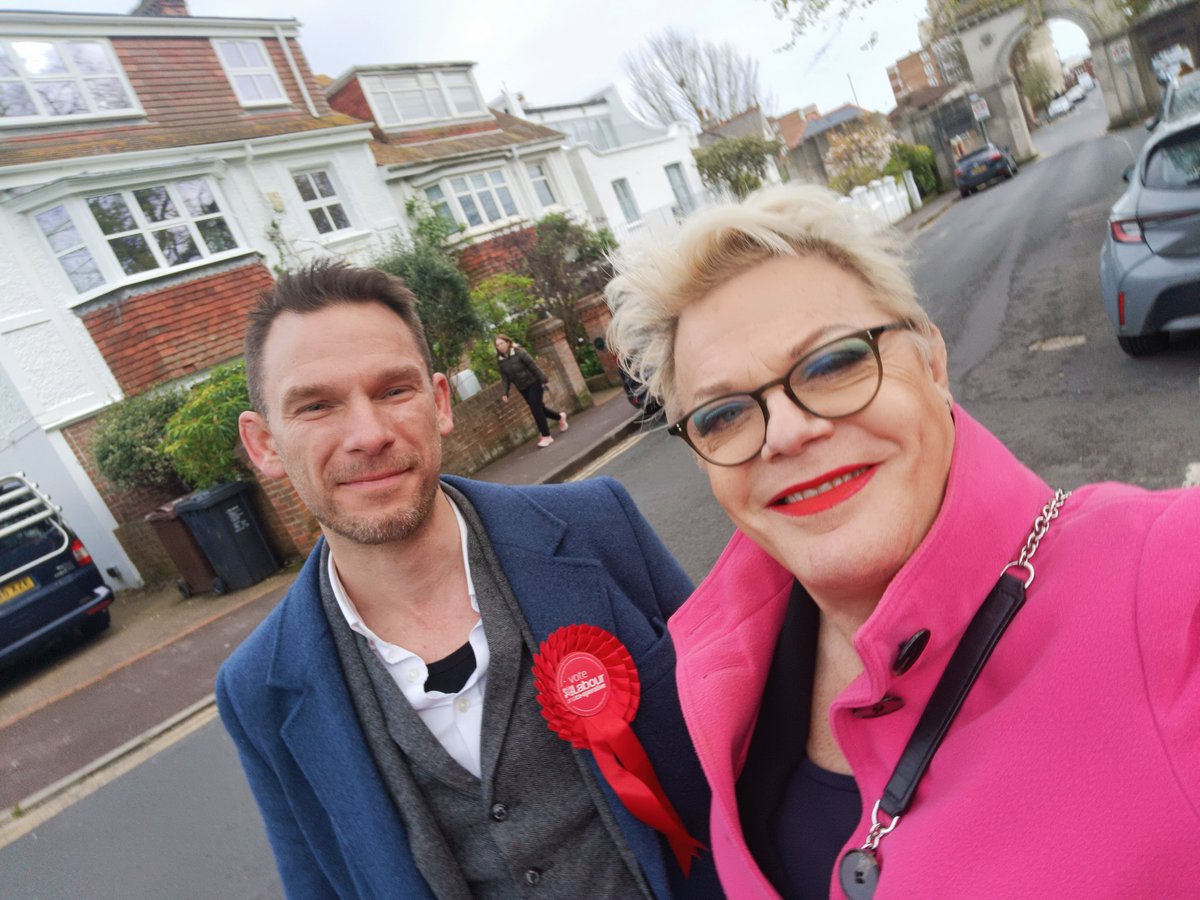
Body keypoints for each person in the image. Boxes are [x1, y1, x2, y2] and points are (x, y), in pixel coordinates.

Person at [606, 184, 1200, 898]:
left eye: (831, 364)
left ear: (931, 360)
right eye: (724, 414)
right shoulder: (726, 671)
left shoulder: (1166, 578)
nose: (789, 433)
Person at [217, 261, 719, 899]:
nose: (368, 435)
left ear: (440, 402)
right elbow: (317, 883)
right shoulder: (257, 687)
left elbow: (741, 718)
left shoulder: (597, 526)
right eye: (316, 405)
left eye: (395, 390)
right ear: (263, 444)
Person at [496, 333, 567, 448]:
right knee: (540, 409)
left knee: (535, 409)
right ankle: (560, 417)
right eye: (498, 345)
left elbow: (533, 366)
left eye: (501, 343)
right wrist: (505, 392)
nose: (500, 346)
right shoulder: (501, 361)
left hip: (534, 383)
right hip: (522, 388)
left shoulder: (519, 353)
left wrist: (543, 379)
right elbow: (505, 378)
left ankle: (546, 436)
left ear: (508, 342)